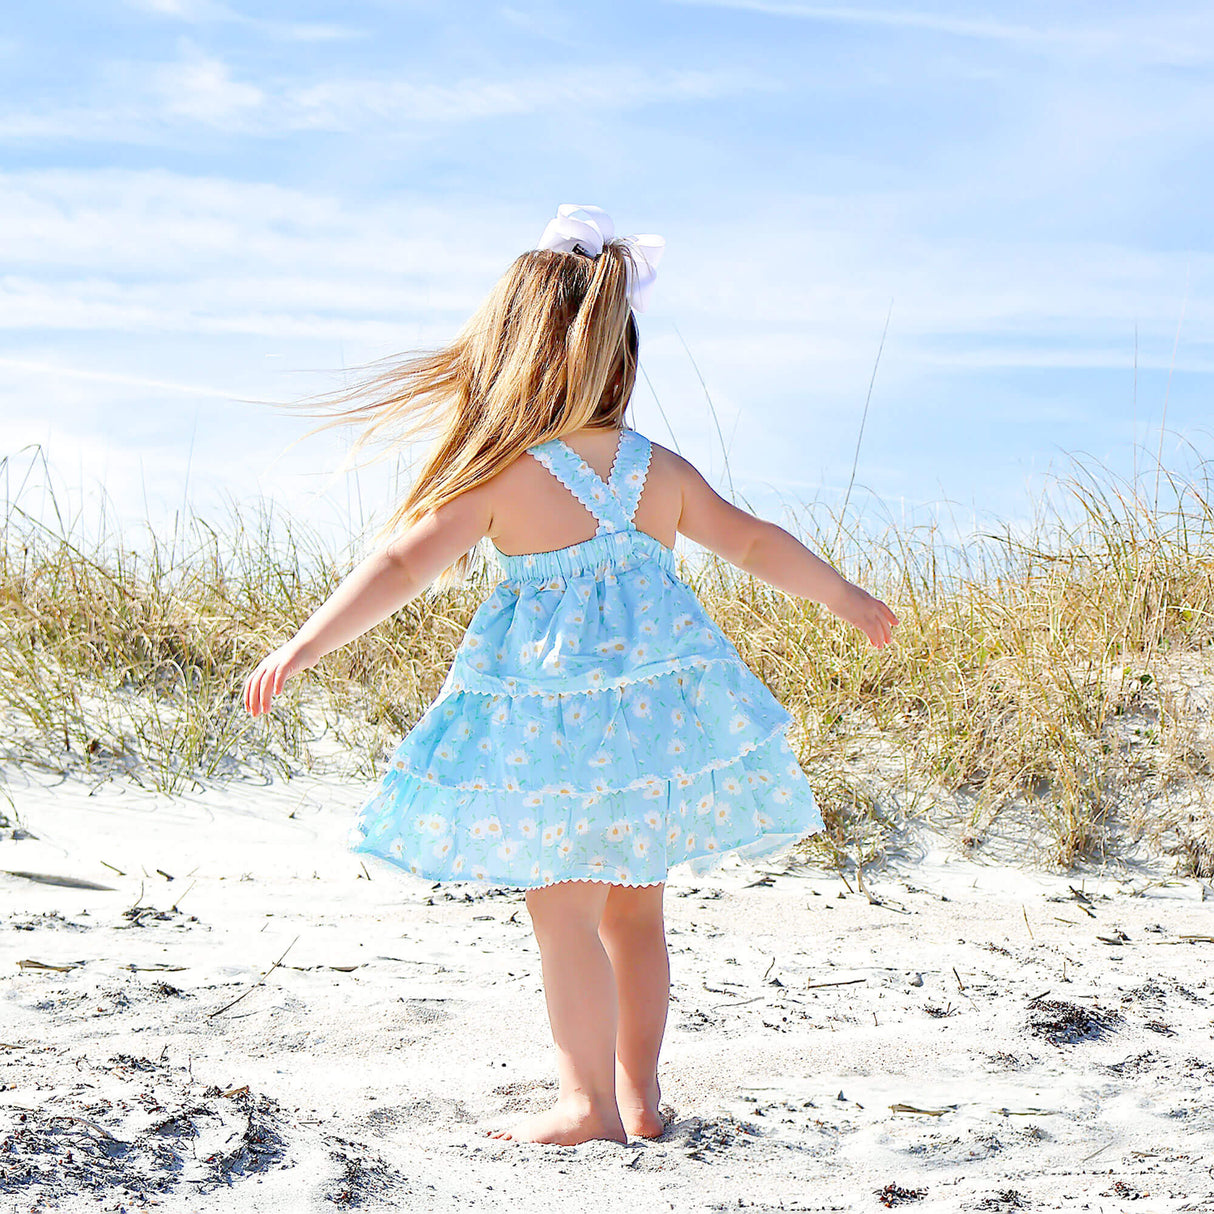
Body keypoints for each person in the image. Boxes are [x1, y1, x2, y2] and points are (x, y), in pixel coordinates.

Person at [243, 204, 898, 1148]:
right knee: (637, 916)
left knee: (563, 913)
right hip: (656, 738)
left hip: (553, 739)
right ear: (619, 355)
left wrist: (303, 644)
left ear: (513, 356)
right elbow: (752, 540)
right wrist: (841, 595)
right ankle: (641, 1101)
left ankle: (587, 1104)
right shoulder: (653, 469)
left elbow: (397, 568)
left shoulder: (505, 476)